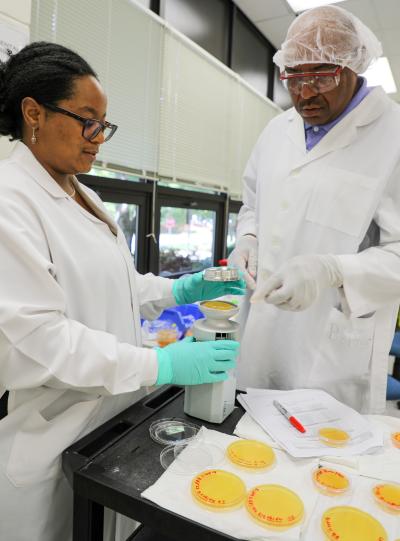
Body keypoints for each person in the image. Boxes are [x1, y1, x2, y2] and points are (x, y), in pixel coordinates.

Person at [0, 42, 245, 541]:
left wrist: (182, 290)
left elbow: (115, 282)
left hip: (109, 423)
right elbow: (40, 339)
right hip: (55, 434)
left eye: (104, 125)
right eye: (88, 120)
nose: (98, 139)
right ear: (34, 114)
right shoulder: (10, 200)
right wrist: (163, 365)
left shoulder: (81, 192)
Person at [229, 4, 400, 414]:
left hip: (328, 350)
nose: (304, 93)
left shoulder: (393, 136)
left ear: (352, 67)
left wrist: (331, 270)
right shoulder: (277, 130)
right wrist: (247, 237)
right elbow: (252, 202)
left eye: (320, 77)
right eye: (293, 76)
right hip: (259, 333)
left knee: (322, 470)